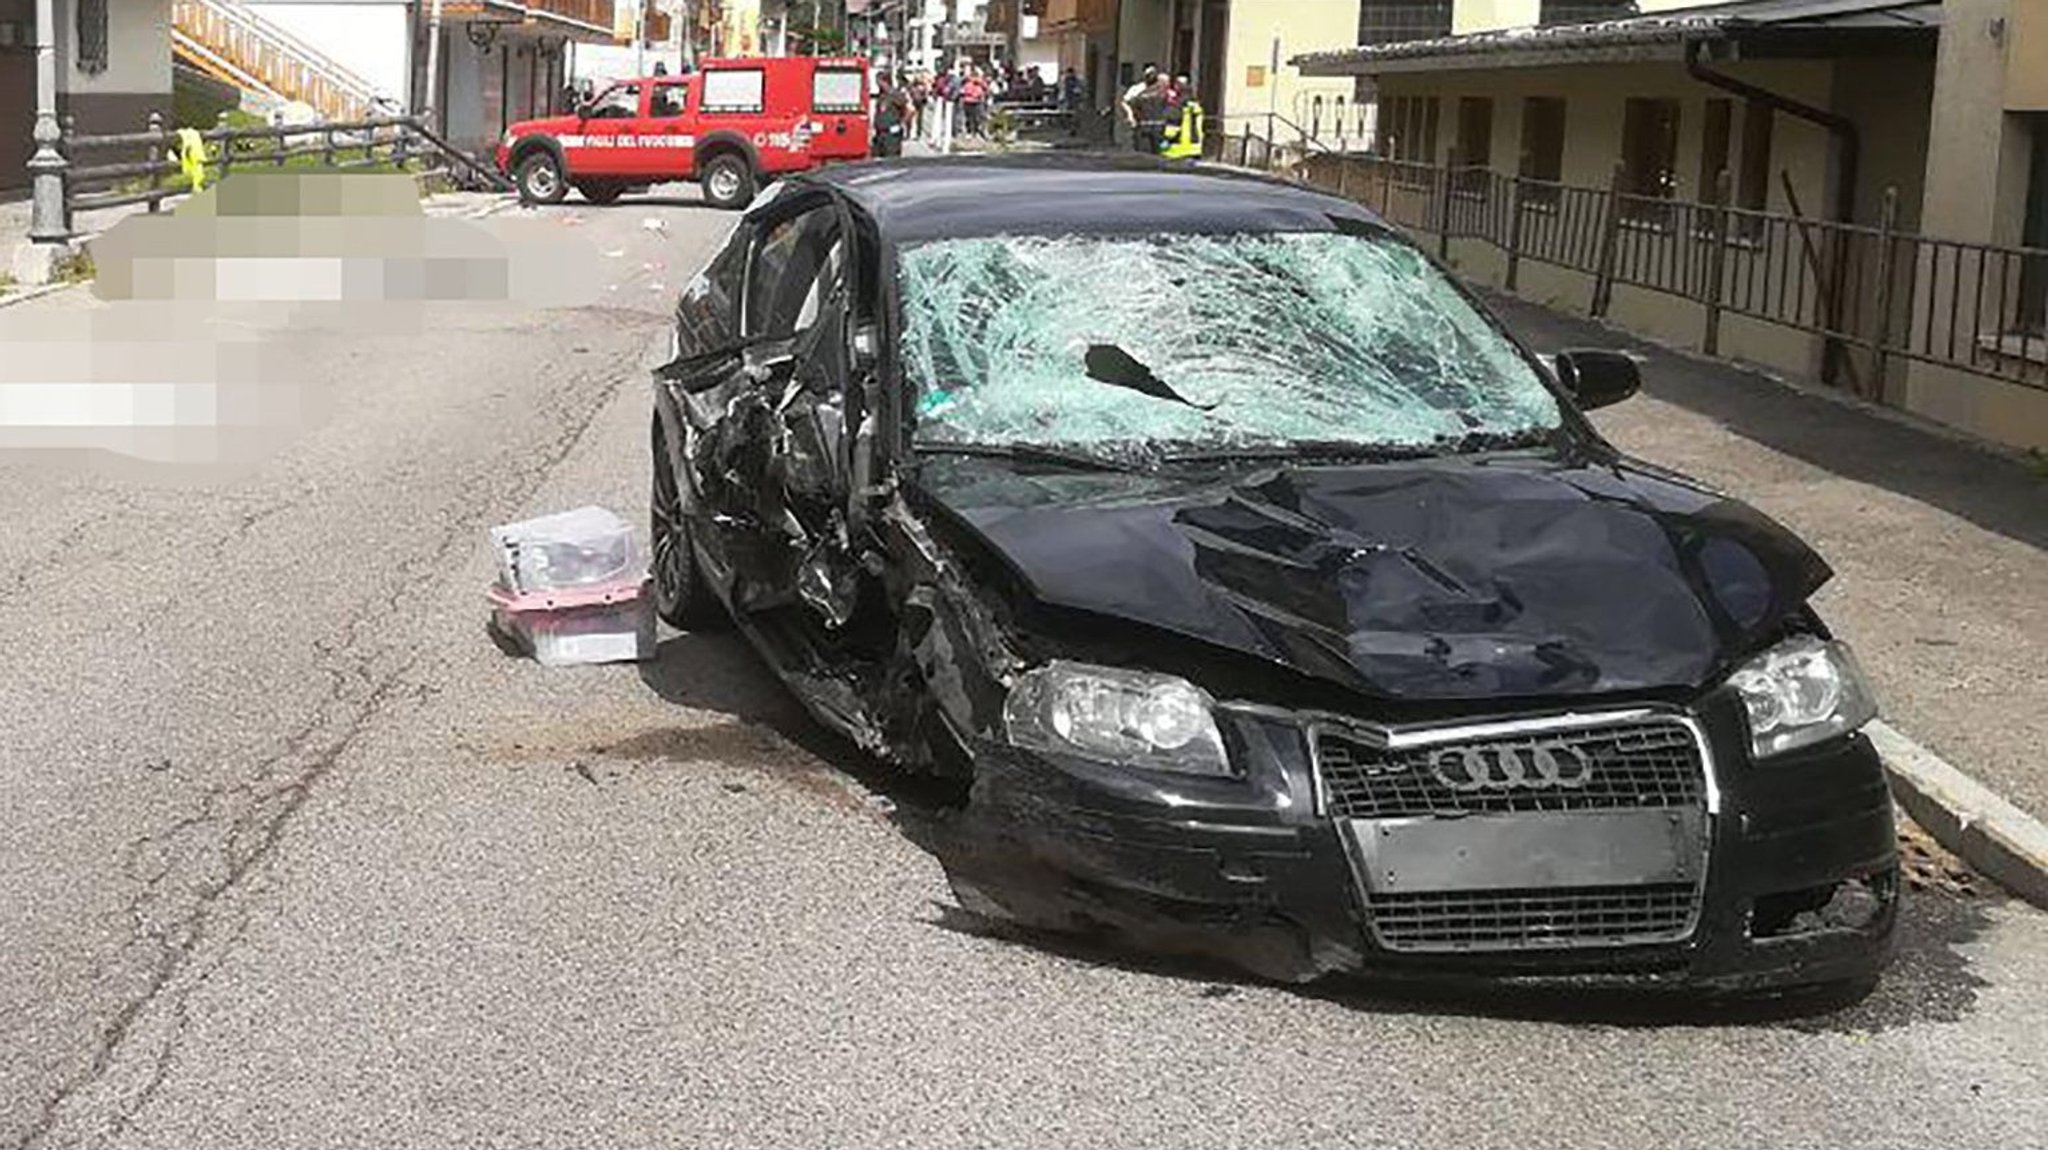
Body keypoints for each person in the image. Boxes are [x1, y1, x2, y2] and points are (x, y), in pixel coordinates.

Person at [1119, 64, 1164, 154]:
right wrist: (1130, 116)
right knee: (1142, 150)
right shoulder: (1137, 89)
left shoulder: (1162, 88)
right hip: (1142, 123)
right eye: (1149, 74)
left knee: (1158, 151)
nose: (1151, 76)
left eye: (1153, 74)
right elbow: (1125, 102)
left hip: (1159, 124)